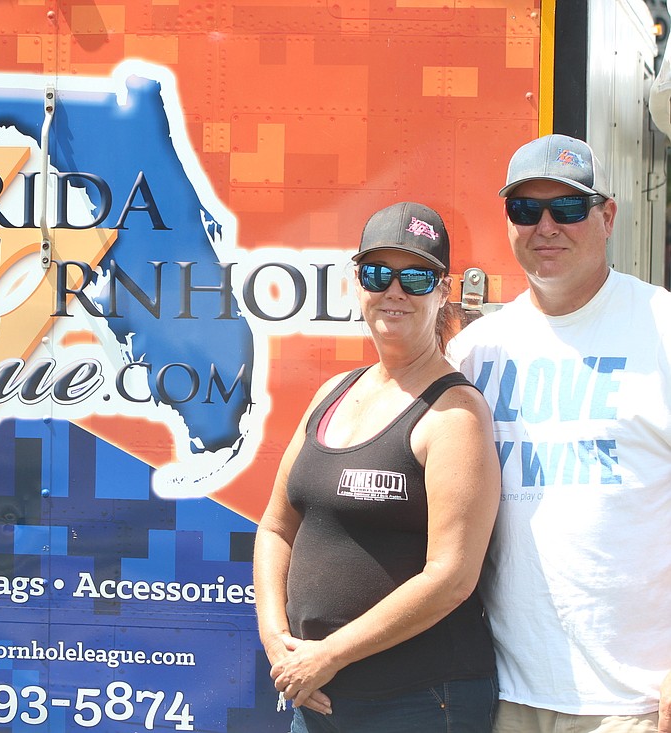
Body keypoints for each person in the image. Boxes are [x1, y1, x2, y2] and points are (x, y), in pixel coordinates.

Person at [448, 133, 671, 733]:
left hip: (632, 700)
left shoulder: (662, 328)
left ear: (609, 216)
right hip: (502, 695)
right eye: (526, 209)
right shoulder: (473, 352)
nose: (546, 226)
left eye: (568, 208)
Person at [254, 202, 501, 732]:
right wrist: (278, 642)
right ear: (358, 284)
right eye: (376, 273)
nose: (394, 290)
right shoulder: (333, 392)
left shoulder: (455, 414)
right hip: (319, 696)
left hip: (418, 701)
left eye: (415, 276)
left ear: (442, 290)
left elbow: (451, 577)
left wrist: (328, 654)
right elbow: (276, 526)